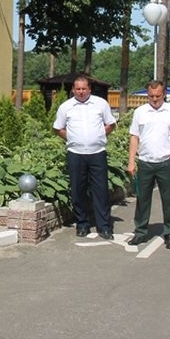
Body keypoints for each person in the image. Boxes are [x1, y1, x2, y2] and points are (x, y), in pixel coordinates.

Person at [126, 80, 170, 248]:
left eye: (157, 96)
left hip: (166, 162)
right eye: (151, 96)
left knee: (168, 199)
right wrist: (131, 160)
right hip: (145, 162)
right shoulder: (140, 112)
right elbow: (134, 136)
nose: (154, 99)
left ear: (164, 94)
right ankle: (140, 232)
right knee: (142, 199)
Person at [53, 75, 117, 239]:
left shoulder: (100, 104)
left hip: (97, 154)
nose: (81, 92)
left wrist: (99, 135)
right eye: (78, 89)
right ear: (73, 89)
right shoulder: (66, 107)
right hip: (76, 154)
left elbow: (111, 124)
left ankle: (104, 226)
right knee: (77, 191)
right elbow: (58, 128)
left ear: (89, 89)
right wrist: (73, 139)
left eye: (84, 89)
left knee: (101, 191)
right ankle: (82, 224)